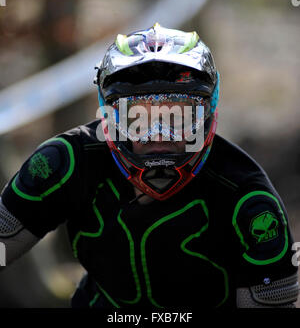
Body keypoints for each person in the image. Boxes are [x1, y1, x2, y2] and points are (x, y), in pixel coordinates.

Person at [0, 23, 298, 309]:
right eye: (137, 119)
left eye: (177, 118)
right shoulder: (64, 163)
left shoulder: (249, 200)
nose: (158, 136)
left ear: (207, 115)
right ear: (109, 116)